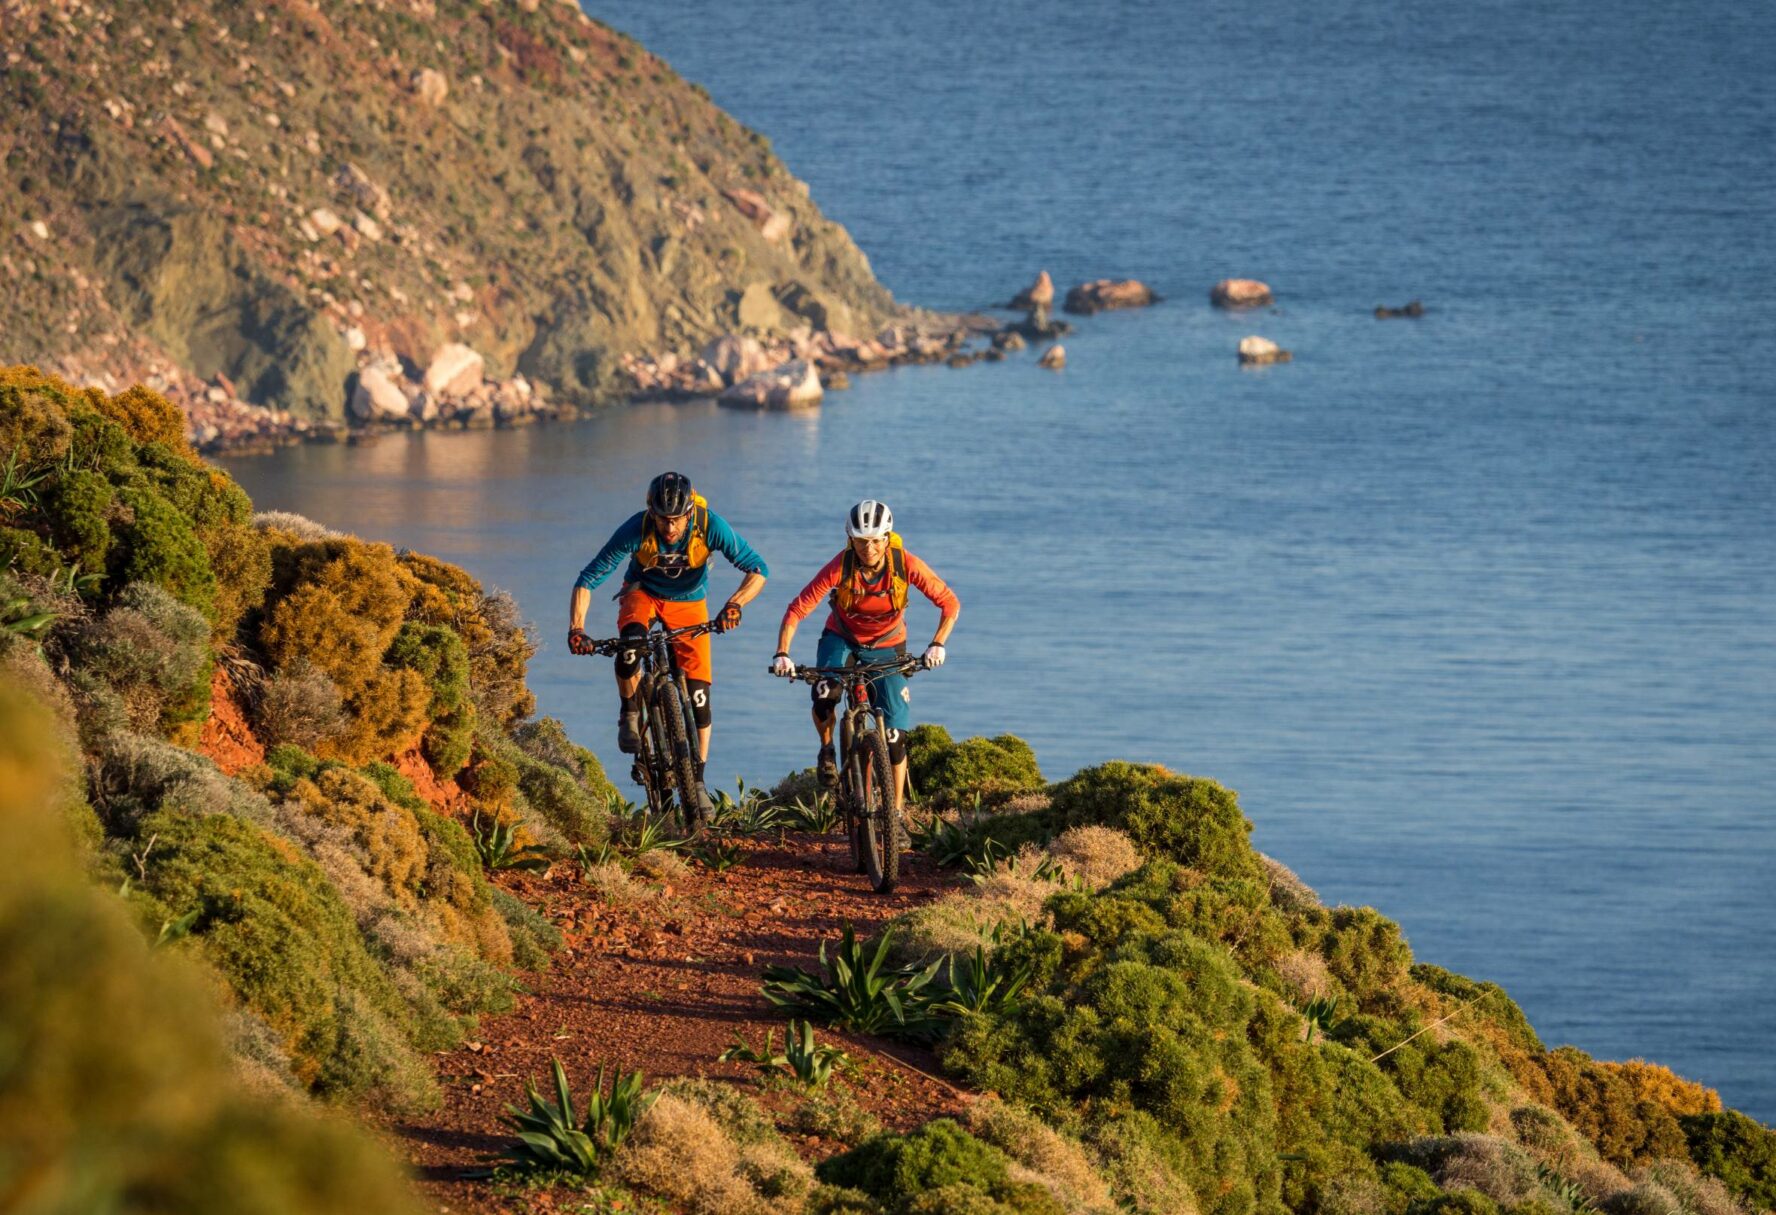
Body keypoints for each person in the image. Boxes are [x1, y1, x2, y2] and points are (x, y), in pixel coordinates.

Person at [567, 472, 767, 784]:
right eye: (663, 519)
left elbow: (757, 568)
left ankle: (697, 778)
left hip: (689, 600)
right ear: (652, 513)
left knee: (700, 696)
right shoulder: (636, 529)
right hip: (642, 592)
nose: (670, 527)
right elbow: (589, 577)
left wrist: (734, 604)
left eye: (677, 519)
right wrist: (576, 629)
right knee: (630, 645)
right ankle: (629, 712)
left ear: (689, 513)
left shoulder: (710, 526)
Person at [772, 499, 959, 817]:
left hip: (888, 644)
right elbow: (798, 608)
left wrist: (937, 644)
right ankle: (828, 748)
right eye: (861, 540)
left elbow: (949, 603)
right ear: (850, 539)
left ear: (887, 538)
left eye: (875, 540)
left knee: (895, 736)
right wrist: (782, 652)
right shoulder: (840, 566)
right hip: (841, 639)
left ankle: (896, 813)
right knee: (825, 694)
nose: (868, 548)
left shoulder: (905, 564)